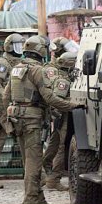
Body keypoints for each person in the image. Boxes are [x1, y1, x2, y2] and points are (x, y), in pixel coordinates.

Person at [3, 35, 79, 204]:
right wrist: (74, 106)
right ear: (40, 50)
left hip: (18, 119)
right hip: (31, 121)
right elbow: (50, 98)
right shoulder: (37, 70)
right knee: (34, 162)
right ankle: (30, 202)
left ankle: (40, 200)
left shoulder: (17, 68)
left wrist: (7, 116)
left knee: (28, 160)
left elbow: (6, 96)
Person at [0, 33, 24, 189]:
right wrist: (7, 98)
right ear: (9, 46)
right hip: (3, 108)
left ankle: (37, 175)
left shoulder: (19, 61)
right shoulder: (2, 62)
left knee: (26, 140)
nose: (19, 48)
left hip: (18, 107)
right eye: (17, 45)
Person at [41, 51, 77, 191]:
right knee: (60, 147)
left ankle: (45, 173)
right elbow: (57, 100)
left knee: (54, 145)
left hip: (59, 117)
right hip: (61, 117)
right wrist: (72, 103)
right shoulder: (63, 80)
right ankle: (54, 178)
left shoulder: (63, 77)